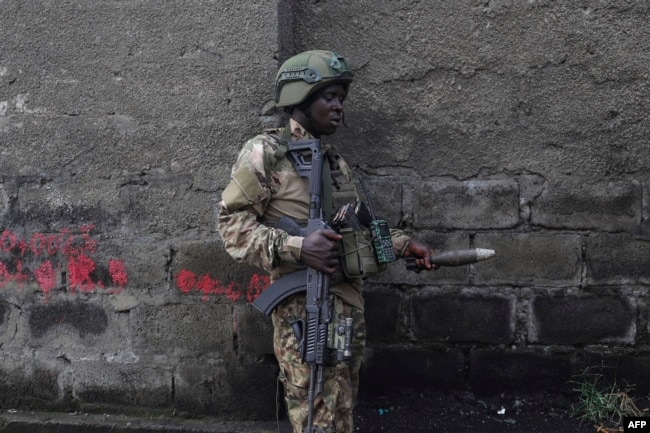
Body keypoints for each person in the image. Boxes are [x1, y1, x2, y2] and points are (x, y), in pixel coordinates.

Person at [217, 50, 437, 433]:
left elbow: (354, 227)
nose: (338, 107)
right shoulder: (265, 153)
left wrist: (402, 245)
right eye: (329, 97)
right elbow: (231, 226)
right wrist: (298, 247)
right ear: (300, 98)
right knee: (314, 408)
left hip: (346, 307)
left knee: (342, 406)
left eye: (341, 98)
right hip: (304, 310)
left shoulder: (335, 163)